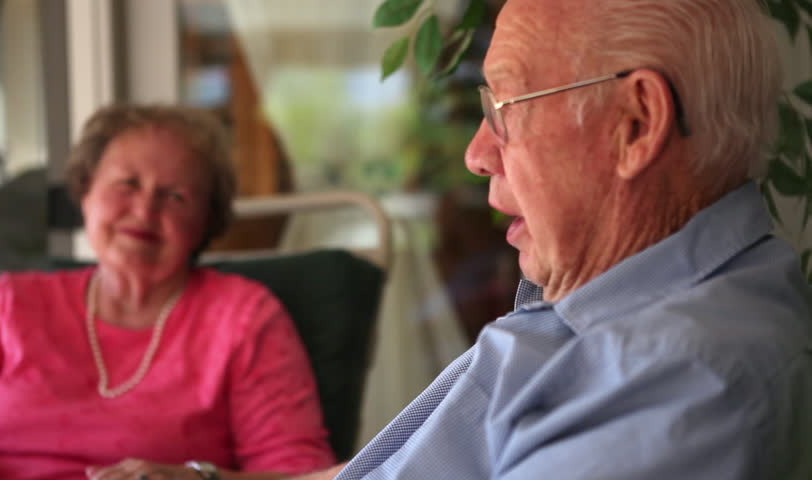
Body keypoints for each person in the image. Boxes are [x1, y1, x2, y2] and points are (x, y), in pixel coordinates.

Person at [301, 0, 812, 479]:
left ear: (636, 124)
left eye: (506, 106)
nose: (476, 155)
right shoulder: (608, 309)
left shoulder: (679, 382)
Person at [0, 104, 336, 480]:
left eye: (175, 197)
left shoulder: (244, 317)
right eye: (128, 184)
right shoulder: (5, 305)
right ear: (86, 191)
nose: (144, 211)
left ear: (206, 220)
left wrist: (200, 478)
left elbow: (300, 475)